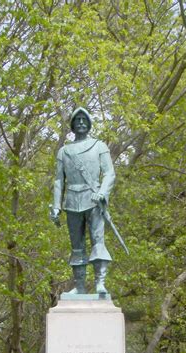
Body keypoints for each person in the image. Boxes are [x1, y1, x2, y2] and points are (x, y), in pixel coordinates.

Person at [51, 107, 115, 295]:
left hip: (94, 199)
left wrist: (102, 193)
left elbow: (110, 173)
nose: (80, 122)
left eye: (83, 119)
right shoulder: (64, 151)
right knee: (77, 245)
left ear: (88, 123)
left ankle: (99, 284)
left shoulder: (99, 146)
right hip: (72, 201)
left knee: (98, 240)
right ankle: (79, 286)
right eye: (77, 120)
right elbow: (58, 180)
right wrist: (56, 206)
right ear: (72, 125)